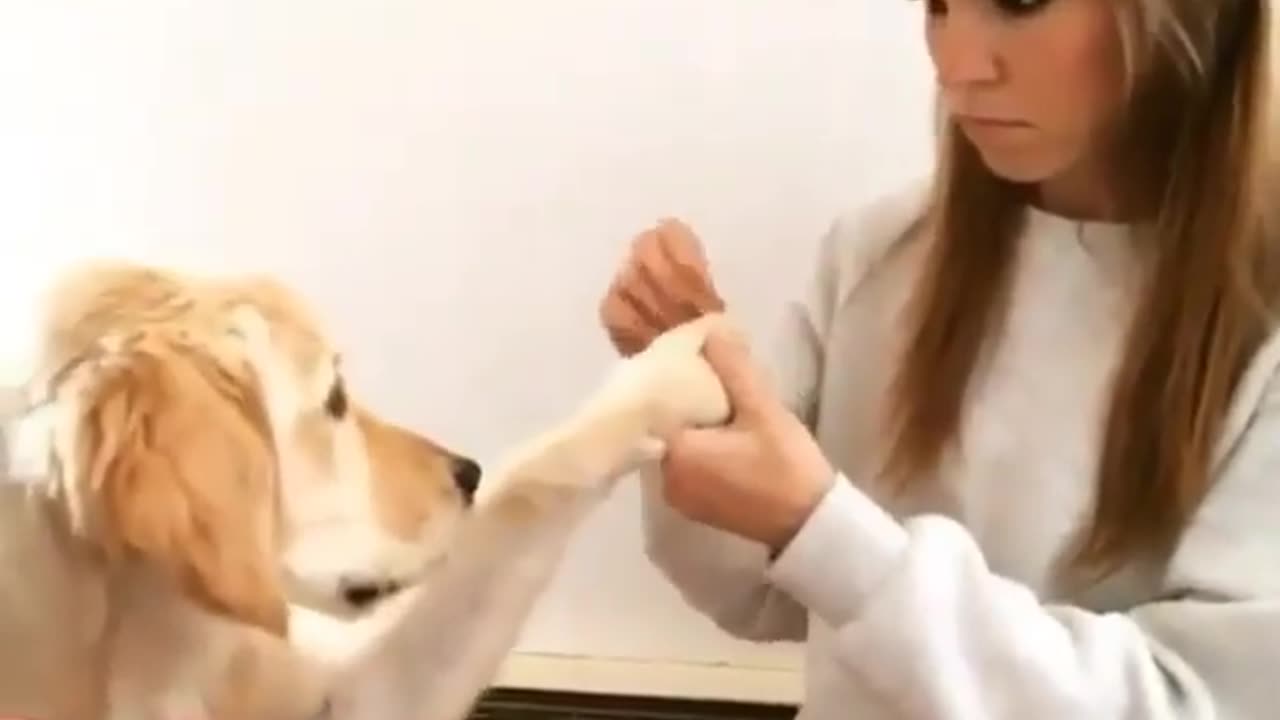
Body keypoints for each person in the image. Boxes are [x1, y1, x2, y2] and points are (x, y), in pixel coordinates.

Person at [598, 0, 1279, 717]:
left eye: (1019, 3)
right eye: (938, 7)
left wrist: (823, 530)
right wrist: (696, 401)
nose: (957, 69)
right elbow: (752, 599)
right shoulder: (880, 254)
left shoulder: (1257, 324)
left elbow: (1195, 700)